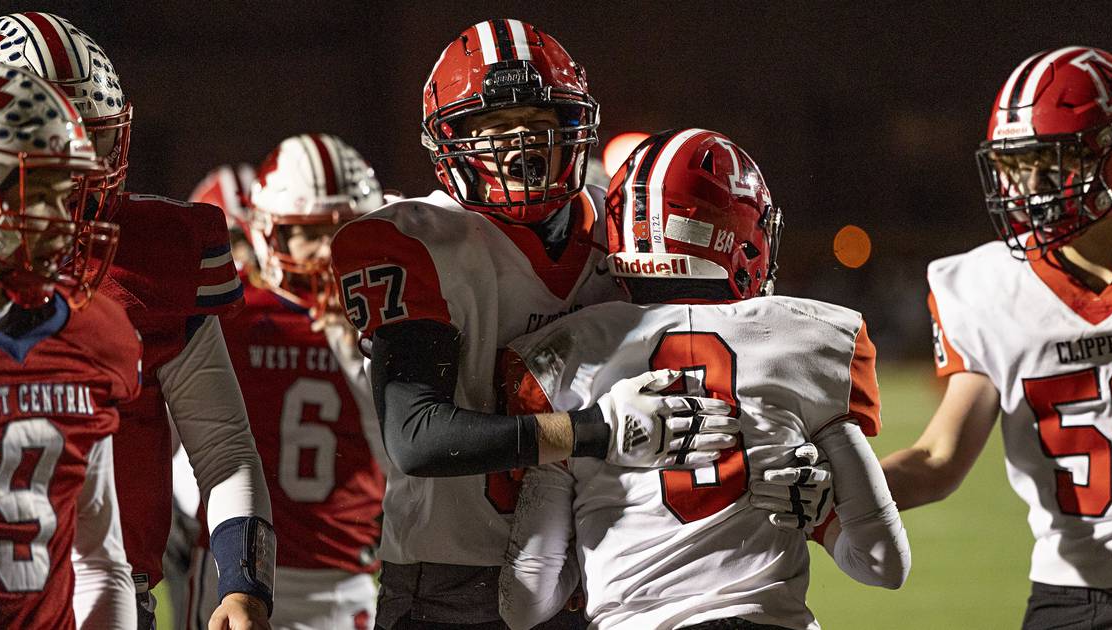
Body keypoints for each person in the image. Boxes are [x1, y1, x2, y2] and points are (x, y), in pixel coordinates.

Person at [330, 20, 743, 628]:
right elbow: (418, 437)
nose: (518, 141)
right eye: (491, 128)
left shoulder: (627, 223)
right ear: (448, 141)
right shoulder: (416, 240)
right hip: (457, 582)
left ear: (574, 126)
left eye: (537, 121)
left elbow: (718, 350)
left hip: (617, 563)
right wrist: (595, 430)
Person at [821, 47, 1112, 628]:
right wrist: (822, 489)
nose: (1029, 187)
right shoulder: (984, 285)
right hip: (1071, 596)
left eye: (1052, 162)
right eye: (1017, 165)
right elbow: (939, 459)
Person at [498, 128, 910, 630]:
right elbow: (884, 563)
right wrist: (821, 524)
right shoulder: (812, 337)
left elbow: (524, 606)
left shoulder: (560, 356)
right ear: (737, 233)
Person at [0, 13, 276, 629]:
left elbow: (222, 449)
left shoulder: (141, 270)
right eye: (43, 143)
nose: (76, 169)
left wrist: (244, 582)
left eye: (89, 139)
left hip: (108, 594)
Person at [184, 133, 389, 630]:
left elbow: (410, 452)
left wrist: (362, 355)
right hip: (239, 570)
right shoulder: (235, 315)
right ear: (270, 233)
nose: (331, 252)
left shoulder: (389, 320)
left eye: (347, 231)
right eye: (312, 232)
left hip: (348, 573)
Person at [0, 62, 140, 629]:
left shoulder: (94, 332)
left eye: (65, 195)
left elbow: (100, 558)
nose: (61, 221)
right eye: (37, 195)